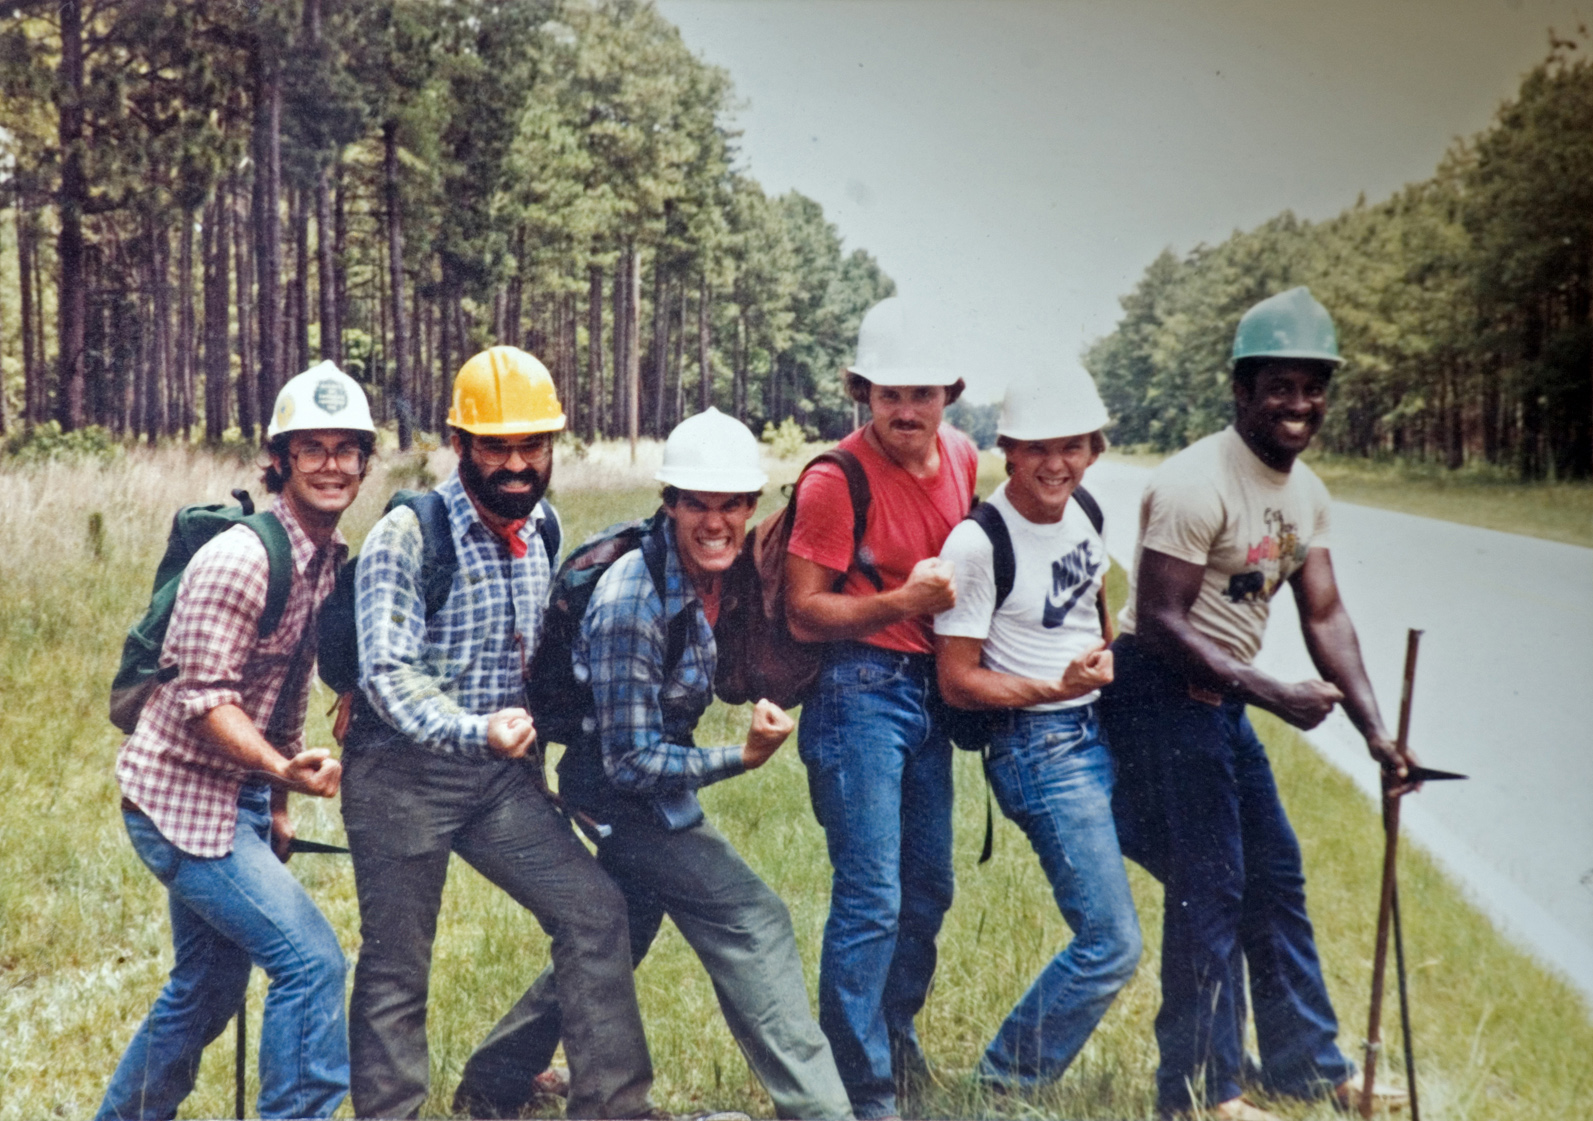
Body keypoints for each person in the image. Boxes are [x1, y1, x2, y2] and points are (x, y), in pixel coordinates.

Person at [452, 408, 853, 1121]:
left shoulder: (717, 572)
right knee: (750, 916)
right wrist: (743, 755)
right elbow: (632, 761)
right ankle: (824, 1112)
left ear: (752, 507)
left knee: (626, 922)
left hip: (632, 783)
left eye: (731, 503)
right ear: (667, 503)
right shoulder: (631, 599)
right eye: (696, 502)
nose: (715, 521)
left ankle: (493, 1080)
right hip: (615, 789)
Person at [1099, 288, 1415, 1121]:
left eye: (1313, 387)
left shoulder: (1303, 493)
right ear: (1241, 390)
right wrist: (1270, 692)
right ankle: (1203, 1095)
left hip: (1219, 699)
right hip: (1155, 694)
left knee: (1272, 877)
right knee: (1211, 884)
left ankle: (1305, 1068)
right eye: (1280, 386)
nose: (1299, 405)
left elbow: (1323, 613)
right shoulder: (1193, 482)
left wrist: (1375, 730)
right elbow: (1162, 622)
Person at [341, 347, 653, 1120]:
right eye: (496, 446)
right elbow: (386, 673)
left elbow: (538, 665)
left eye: (531, 446)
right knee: (396, 971)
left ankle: (606, 1105)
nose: (516, 465)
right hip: (397, 777)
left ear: (552, 446)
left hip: (497, 781)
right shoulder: (406, 534)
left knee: (594, 912)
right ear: (459, 444)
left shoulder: (542, 527)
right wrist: (477, 729)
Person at [99, 362, 373, 1120]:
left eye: (346, 448)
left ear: (363, 461)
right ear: (279, 458)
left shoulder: (324, 556)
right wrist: (281, 769)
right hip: (179, 804)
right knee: (311, 962)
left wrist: (276, 803)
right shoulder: (241, 557)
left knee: (207, 988)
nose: (330, 464)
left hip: (238, 799)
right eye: (310, 448)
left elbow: (281, 689)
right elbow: (203, 701)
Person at [784, 297, 980, 1120]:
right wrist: (902, 598)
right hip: (856, 692)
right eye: (889, 392)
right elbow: (803, 611)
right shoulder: (836, 479)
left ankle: (892, 1040)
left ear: (950, 394)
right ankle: (860, 1089)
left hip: (927, 696)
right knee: (872, 895)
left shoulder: (966, 458)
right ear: (861, 391)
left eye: (923, 393)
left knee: (927, 886)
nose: (906, 409)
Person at [933, 373, 1141, 1092]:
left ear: (1093, 449)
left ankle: (1206, 1071)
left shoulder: (1084, 508)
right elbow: (956, 678)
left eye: (1074, 447)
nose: (1059, 464)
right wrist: (1053, 687)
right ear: (1009, 451)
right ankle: (1002, 1083)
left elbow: (1092, 604)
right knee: (1110, 942)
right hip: (1037, 747)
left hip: (1098, 726)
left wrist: (1110, 660)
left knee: (1214, 876)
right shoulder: (978, 542)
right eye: (1040, 449)